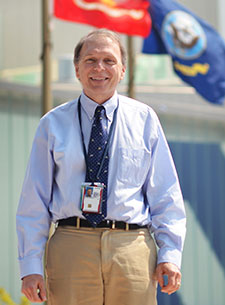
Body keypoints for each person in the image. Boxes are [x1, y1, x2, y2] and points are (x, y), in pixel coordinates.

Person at [16, 29, 186, 305]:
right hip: (71, 246)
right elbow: (33, 200)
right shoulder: (52, 123)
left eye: (109, 60)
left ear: (122, 69)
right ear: (77, 70)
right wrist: (30, 267)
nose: (99, 68)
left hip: (131, 248)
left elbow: (165, 194)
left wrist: (170, 255)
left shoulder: (145, 120)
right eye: (90, 60)